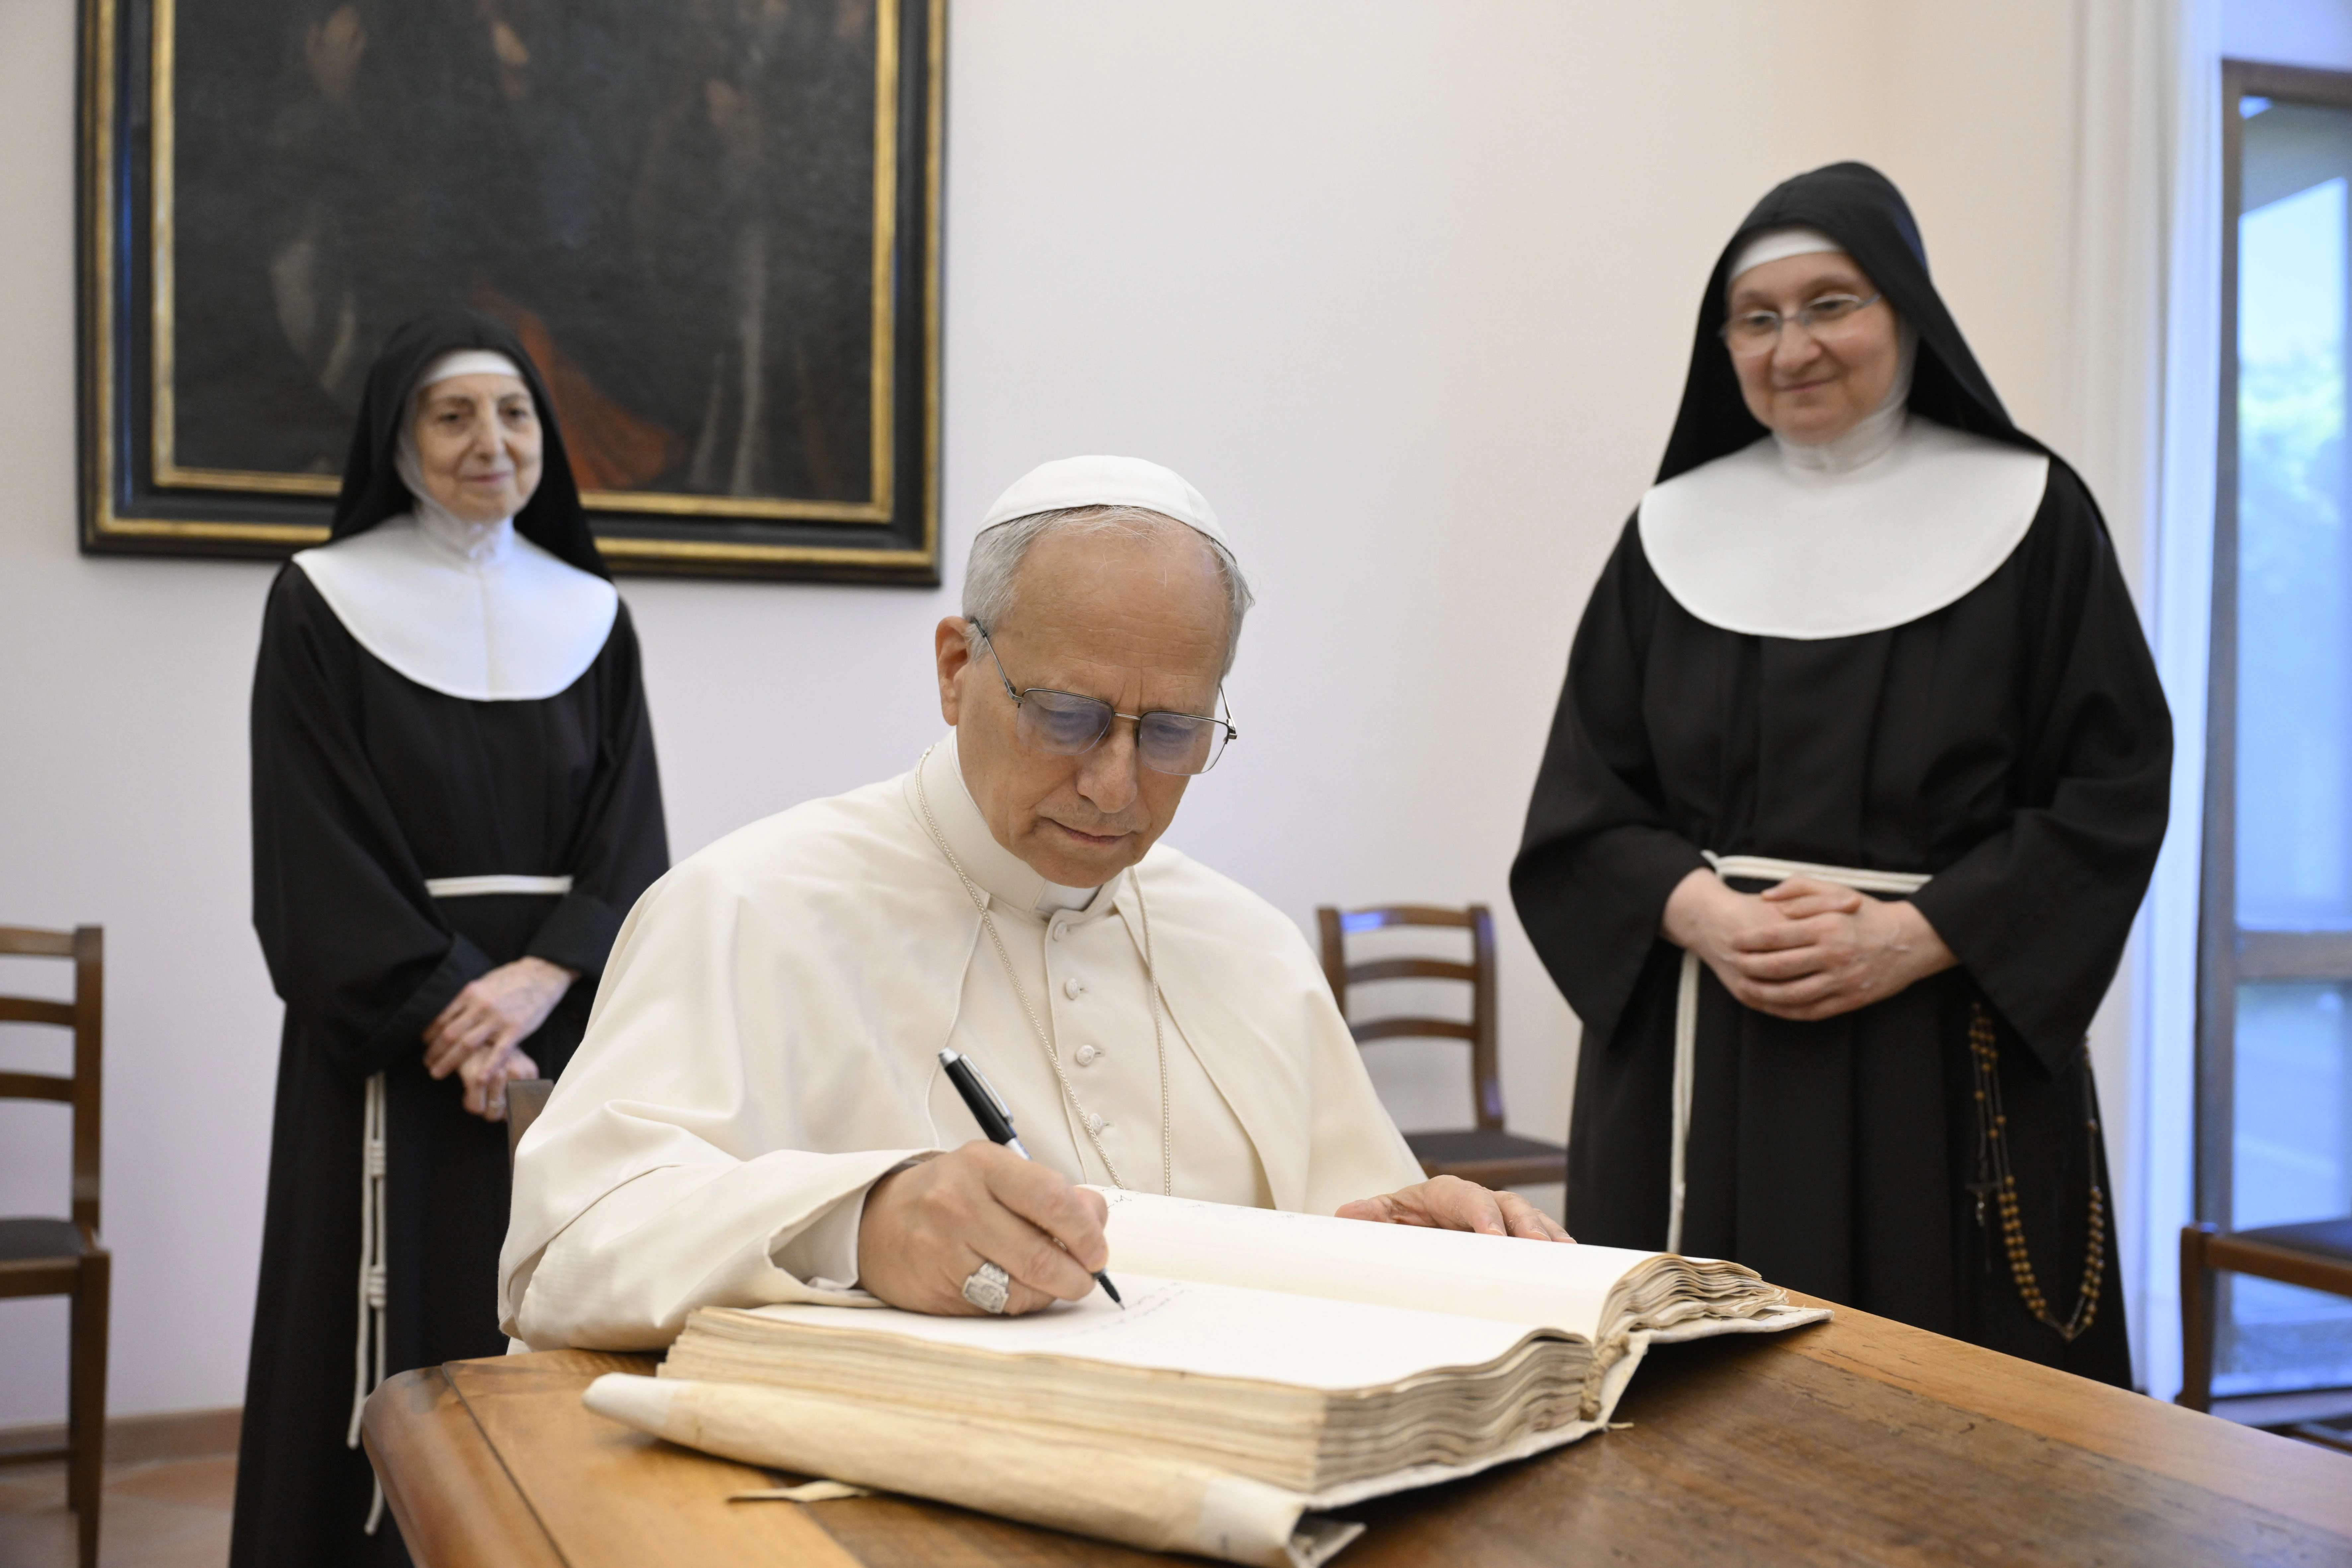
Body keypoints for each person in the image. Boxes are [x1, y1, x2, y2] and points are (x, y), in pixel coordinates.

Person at [500, 455, 1566, 1347]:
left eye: (1171, 735)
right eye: (1067, 717)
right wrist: (858, 1222)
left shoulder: (1251, 946)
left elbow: (1334, 1241)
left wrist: (1411, 1246)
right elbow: (561, 1260)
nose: (1115, 786)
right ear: (959, 667)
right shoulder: (746, 909)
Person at [1509, 163, 2170, 1385]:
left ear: (1907, 311)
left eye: (1831, 303)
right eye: (1756, 318)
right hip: (1708, 1038)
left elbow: (2112, 790)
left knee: (1949, 1417)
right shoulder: (1669, 534)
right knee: (1693, 1428)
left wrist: (1920, 932)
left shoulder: (2037, 517)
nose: (1792, 345)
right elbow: (1582, 807)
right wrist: (1704, 912)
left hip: (1938, 1036)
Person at [232, 310, 669, 1566]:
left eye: (516, 413)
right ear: (398, 436)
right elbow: (310, 840)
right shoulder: (321, 602)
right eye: (454, 414)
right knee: (384, 1309)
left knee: (547, 1308)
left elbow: (632, 836)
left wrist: (538, 982)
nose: (492, 442)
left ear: (547, 435)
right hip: (389, 1028)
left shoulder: (594, 613)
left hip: (554, 1028)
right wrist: (447, 1002)